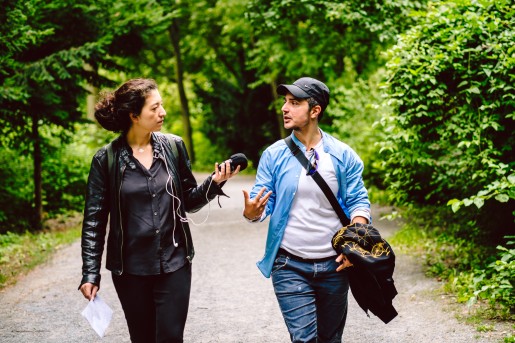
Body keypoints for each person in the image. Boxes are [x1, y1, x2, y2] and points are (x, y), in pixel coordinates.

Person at [79, 78, 239, 343]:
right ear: (134, 116)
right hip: (130, 270)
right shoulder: (105, 159)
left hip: (174, 263)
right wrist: (90, 273)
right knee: (142, 338)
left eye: (161, 105)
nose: (162, 112)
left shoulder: (173, 147)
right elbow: (94, 221)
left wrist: (215, 183)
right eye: (154, 108)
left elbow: (188, 200)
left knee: (170, 337)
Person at [242, 77, 371, 342]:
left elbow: (359, 201)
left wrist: (353, 248)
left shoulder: (343, 155)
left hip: (335, 266)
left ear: (315, 111)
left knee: (330, 339)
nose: (285, 109)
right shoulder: (274, 154)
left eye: (294, 103)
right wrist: (252, 212)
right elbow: (259, 202)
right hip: (289, 264)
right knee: (303, 339)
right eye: (285, 103)